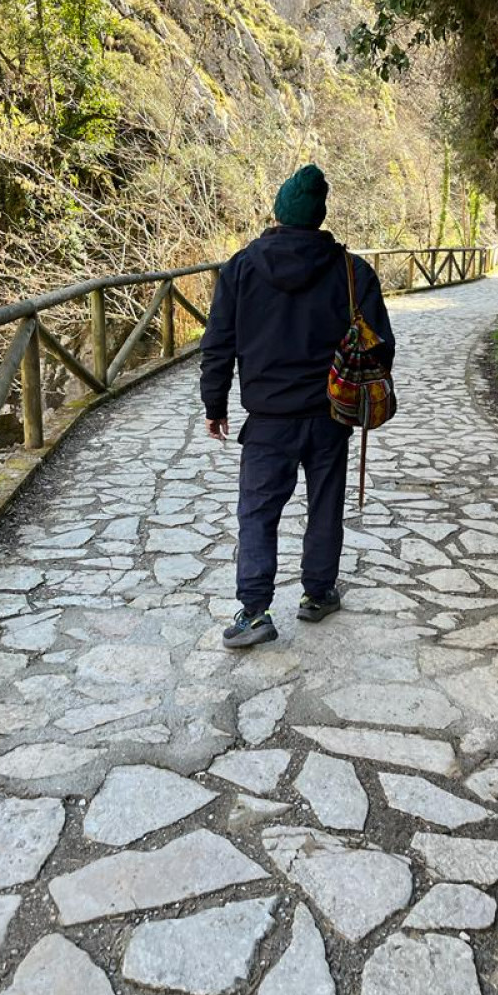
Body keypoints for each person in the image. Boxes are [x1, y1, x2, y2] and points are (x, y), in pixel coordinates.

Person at [200, 163, 395, 648]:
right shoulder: (353, 271)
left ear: (279, 212)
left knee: (258, 513)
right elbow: (382, 347)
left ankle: (254, 611)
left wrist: (215, 403)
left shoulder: (241, 267)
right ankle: (317, 593)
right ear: (318, 216)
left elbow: (218, 344)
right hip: (332, 415)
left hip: (267, 420)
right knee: (324, 504)